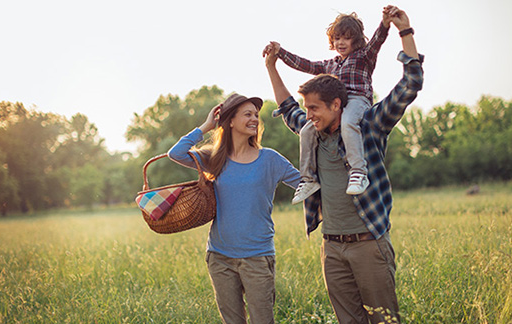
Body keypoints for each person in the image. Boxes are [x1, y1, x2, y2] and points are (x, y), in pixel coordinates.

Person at [263, 5, 423, 323]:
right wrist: (272, 66)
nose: (307, 115)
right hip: (332, 248)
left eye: (314, 108)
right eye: (306, 109)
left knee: (385, 320)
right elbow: (287, 106)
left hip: (369, 244)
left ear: (336, 105)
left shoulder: (369, 124)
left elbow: (410, 85)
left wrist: (405, 32)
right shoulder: (312, 131)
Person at [167, 93, 301, 324]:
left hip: (257, 257)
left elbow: (306, 183)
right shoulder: (214, 158)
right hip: (220, 257)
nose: (254, 119)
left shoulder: (270, 159)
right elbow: (175, 154)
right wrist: (206, 126)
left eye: (256, 115)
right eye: (247, 114)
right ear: (229, 121)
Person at [263, 11, 390, 204]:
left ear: (355, 40)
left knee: (348, 123)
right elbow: (305, 65)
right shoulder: (330, 64)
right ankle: (308, 179)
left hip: (357, 100)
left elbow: (377, 40)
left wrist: (385, 23)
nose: (341, 42)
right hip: (334, 107)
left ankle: (358, 170)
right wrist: (281, 52)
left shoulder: (364, 56)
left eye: (347, 38)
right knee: (306, 130)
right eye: (337, 38)